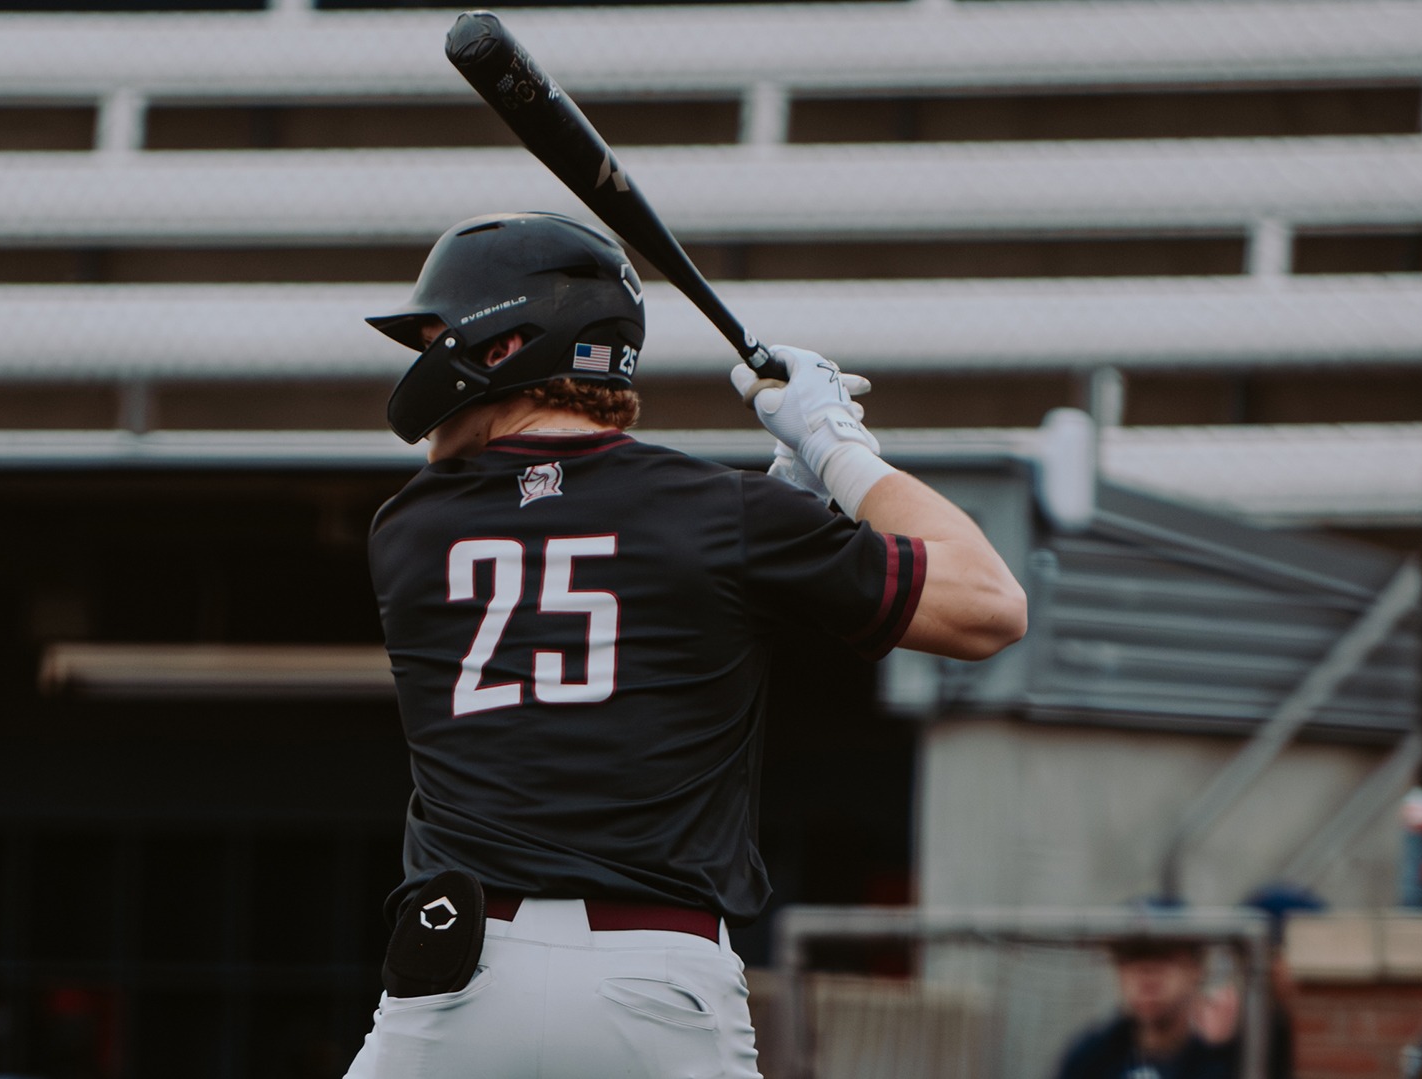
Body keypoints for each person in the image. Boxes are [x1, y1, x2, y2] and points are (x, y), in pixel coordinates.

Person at [345, 211, 1027, 1079]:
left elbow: (583, 533)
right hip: (657, 985)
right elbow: (992, 604)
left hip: (456, 988)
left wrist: (772, 521)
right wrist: (836, 451)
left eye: (438, 335)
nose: (422, 362)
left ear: (503, 346)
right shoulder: (727, 514)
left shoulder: (407, 527)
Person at [1055, 937, 1243, 1079]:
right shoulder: (1090, 1057)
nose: (1146, 978)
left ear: (1196, 968)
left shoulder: (1232, 1059)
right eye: (1132, 959)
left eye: (1164, 957)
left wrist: (1218, 1055)